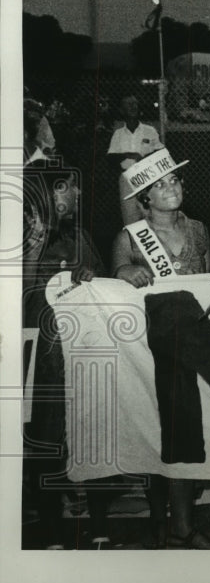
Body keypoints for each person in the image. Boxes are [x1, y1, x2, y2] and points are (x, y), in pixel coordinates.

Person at [110, 148, 210, 549]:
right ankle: (162, 522)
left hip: (191, 345)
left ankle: (182, 525)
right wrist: (126, 271)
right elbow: (116, 275)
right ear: (145, 199)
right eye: (159, 185)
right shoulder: (131, 237)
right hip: (147, 349)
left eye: (174, 179)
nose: (170, 188)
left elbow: (208, 279)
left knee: (186, 432)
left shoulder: (198, 229)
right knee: (155, 434)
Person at [22, 167, 114, 548]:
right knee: (46, 439)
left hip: (81, 353)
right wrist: (33, 249)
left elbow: (107, 287)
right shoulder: (23, 242)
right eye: (69, 187)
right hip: (41, 358)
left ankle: (99, 525)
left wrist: (90, 275)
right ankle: (53, 531)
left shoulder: (80, 237)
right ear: (51, 193)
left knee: (90, 433)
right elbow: (20, 294)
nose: (77, 192)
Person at [107, 95, 165, 225]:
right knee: (130, 220)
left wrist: (144, 159)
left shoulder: (149, 130)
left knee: (153, 217)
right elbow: (110, 157)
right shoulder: (118, 134)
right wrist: (128, 154)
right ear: (122, 110)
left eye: (135, 104)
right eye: (128, 105)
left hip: (149, 177)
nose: (133, 107)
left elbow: (161, 151)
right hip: (127, 179)